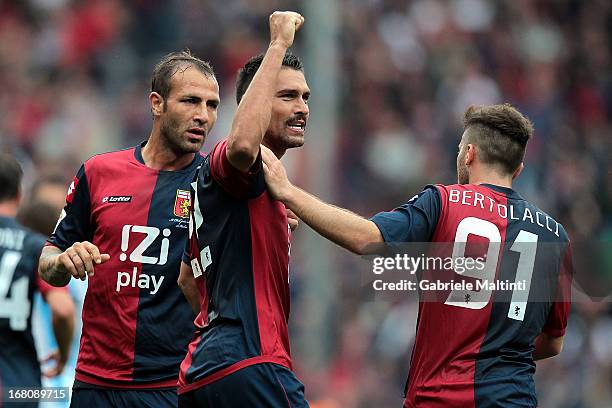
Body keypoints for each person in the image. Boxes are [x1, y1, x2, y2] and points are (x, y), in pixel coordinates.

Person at [262, 103, 573, 407]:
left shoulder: (444, 201)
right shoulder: (555, 236)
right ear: (517, 168)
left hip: (442, 397)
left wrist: (288, 191)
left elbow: (365, 238)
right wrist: (494, 350)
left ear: (469, 154)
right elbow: (553, 341)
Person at [38, 50, 220, 407]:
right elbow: (48, 259)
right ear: (157, 103)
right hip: (94, 383)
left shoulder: (215, 184)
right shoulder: (97, 172)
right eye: (190, 101)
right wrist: (62, 261)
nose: (203, 115)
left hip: (173, 385)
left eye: (212, 105)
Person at [177, 11, 310, 407]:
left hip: (204, 371)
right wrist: (278, 45)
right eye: (286, 96)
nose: (301, 107)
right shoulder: (227, 161)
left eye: (305, 97)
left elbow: (187, 278)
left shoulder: (252, 187)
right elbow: (239, 147)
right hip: (253, 362)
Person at [0, 154, 75, 407]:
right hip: (21, 388)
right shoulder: (34, 247)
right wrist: (63, 356)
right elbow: (63, 310)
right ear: (20, 197)